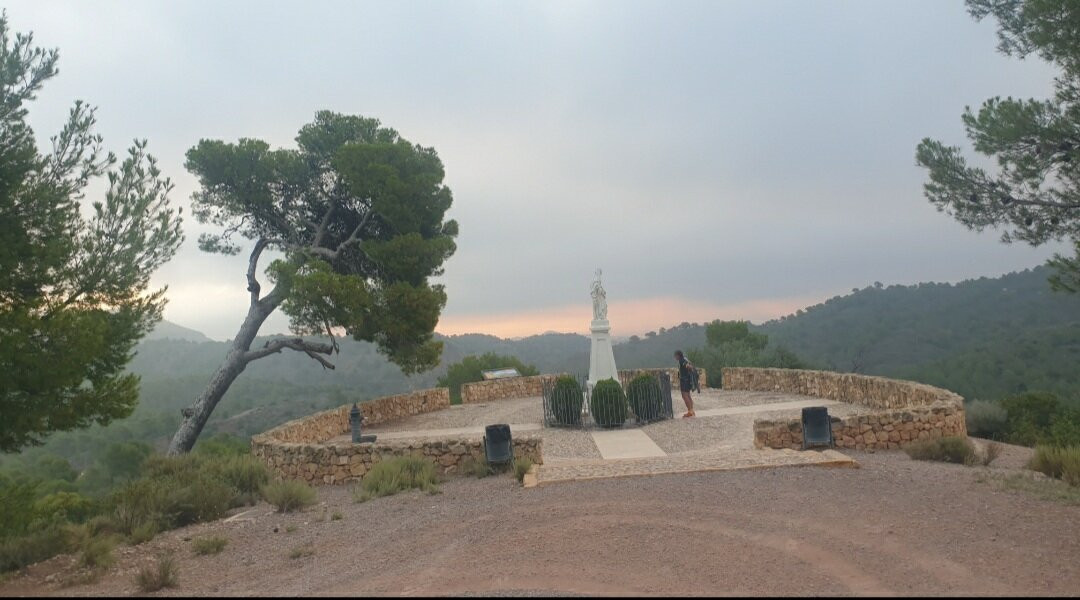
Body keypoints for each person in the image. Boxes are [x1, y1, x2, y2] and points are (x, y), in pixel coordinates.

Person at [674, 350, 697, 418]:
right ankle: (692, 410)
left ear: (678, 355)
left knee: (684, 395)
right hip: (688, 380)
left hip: (684, 380)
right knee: (688, 395)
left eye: (675, 356)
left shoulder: (681, 360)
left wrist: (690, 368)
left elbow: (688, 366)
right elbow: (690, 364)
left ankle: (690, 411)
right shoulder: (685, 358)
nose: (675, 357)